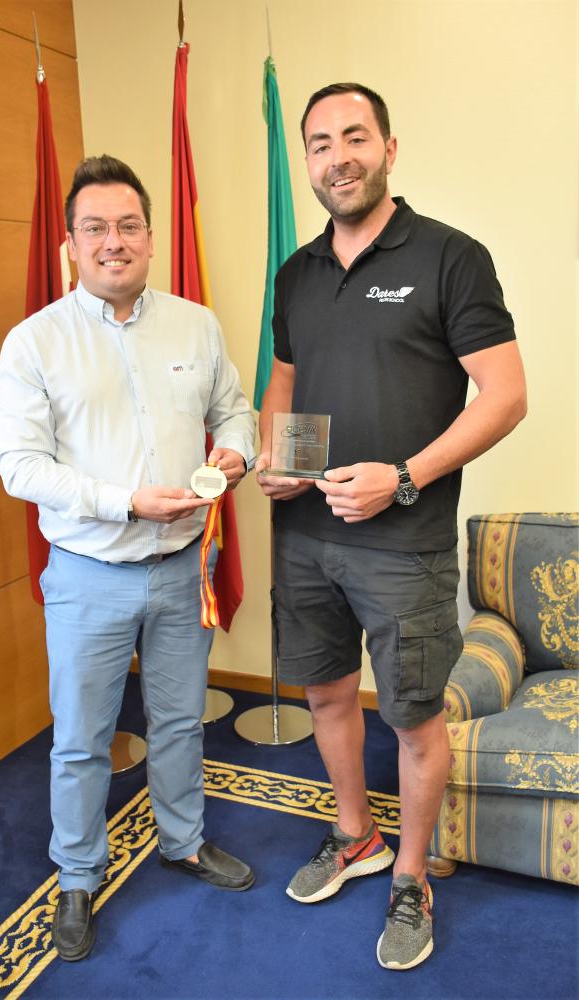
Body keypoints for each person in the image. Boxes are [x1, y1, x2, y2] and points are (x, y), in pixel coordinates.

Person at [256, 83, 527, 971]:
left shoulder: (452, 257)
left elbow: (505, 395)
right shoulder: (293, 273)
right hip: (304, 536)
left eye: (354, 137)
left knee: (412, 723)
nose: (338, 156)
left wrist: (403, 476)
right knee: (327, 694)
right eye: (321, 142)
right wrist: (278, 458)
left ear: (388, 147)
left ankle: (411, 874)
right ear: (308, 160)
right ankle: (355, 835)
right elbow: (287, 384)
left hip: (402, 543)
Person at [0, 155, 256, 962]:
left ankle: (182, 841)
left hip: (183, 570)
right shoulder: (34, 342)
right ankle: (77, 876)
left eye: (129, 225)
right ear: (72, 244)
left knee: (179, 721)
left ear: (151, 234)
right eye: (96, 228)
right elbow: (20, 467)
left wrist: (235, 453)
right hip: (87, 577)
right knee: (81, 738)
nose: (115, 242)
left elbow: (234, 409)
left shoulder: (195, 324)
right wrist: (125, 499)